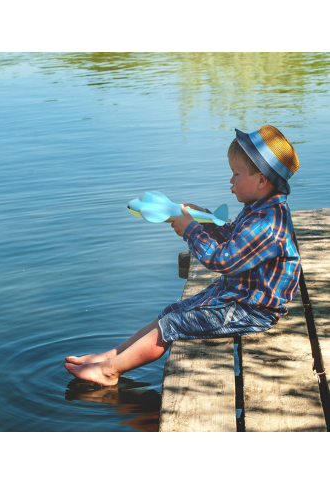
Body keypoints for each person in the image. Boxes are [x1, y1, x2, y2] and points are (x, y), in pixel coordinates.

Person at [65, 124, 301, 386]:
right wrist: (207, 219)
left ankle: (109, 371)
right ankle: (113, 355)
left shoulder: (266, 223)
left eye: (236, 174)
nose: (230, 181)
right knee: (172, 311)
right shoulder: (258, 209)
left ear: (260, 180)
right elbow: (233, 235)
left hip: (251, 311)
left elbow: (223, 260)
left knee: (173, 324)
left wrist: (191, 231)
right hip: (238, 297)